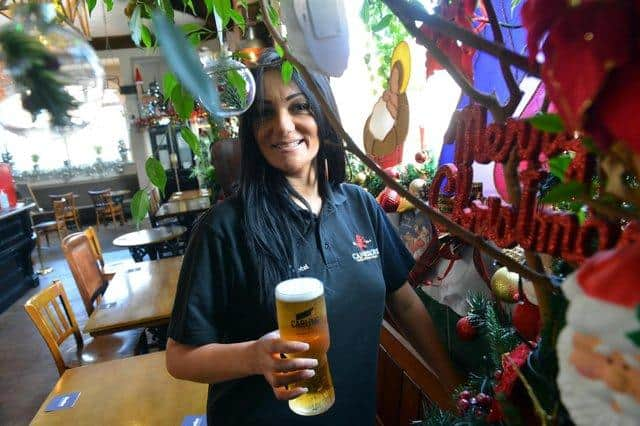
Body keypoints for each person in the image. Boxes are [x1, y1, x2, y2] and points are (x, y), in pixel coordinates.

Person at [166, 48, 459, 426]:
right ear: (252, 130)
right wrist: (255, 356)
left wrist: (456, 392)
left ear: (323, 113)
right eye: (266, 112)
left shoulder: (360, 206)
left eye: (299, 106)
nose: (284, 125)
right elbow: (179, 357)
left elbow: (406, 305)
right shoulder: (223, 228)